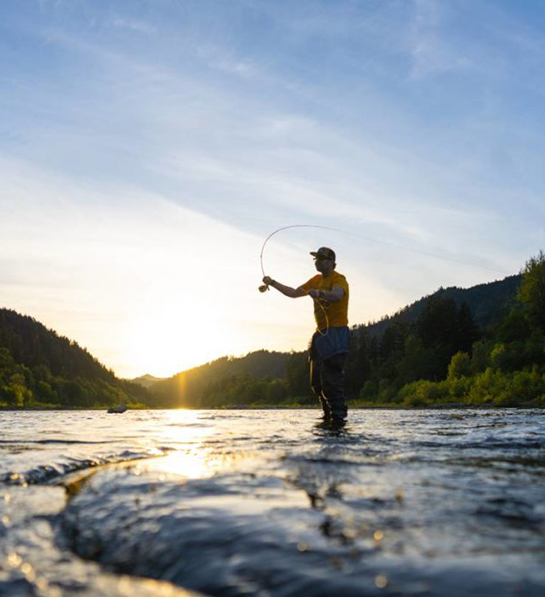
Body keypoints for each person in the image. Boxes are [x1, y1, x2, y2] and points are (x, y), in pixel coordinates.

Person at [262, 246, 349, 424]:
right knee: (317, 382)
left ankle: (338, 419)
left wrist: (320, 293)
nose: (318, 261)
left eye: (322, 258)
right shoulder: (315, 279)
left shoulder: (339, 279)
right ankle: (327, 416)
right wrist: (272, 282)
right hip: (320, 335)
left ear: (332, 262)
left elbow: (337, 296)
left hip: (336, 334)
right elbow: (294, 293)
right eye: (316, 259)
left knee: (331, 380)